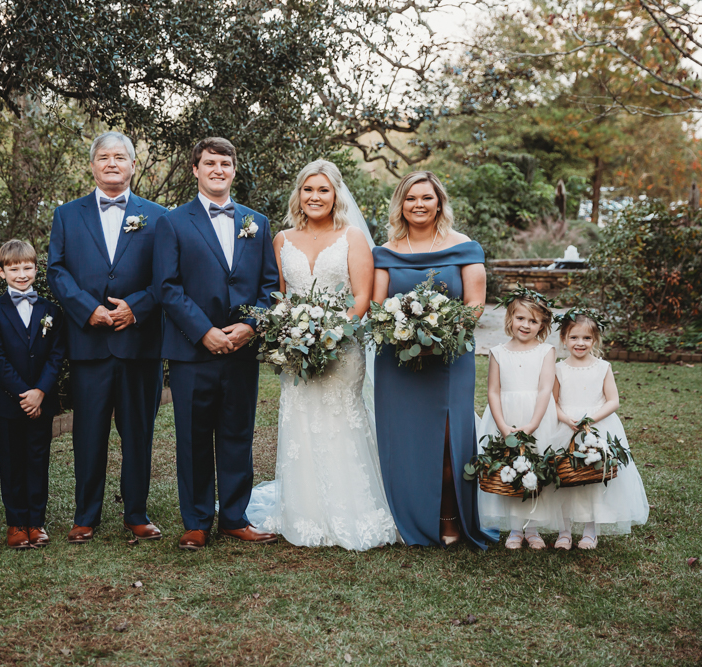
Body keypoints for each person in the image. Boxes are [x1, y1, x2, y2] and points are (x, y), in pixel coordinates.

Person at [246, 159, 396, 550]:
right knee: (301, 421)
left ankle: (353, 510)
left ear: (335, 195)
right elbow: (277, 296)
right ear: (299, 194)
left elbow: (361, 298)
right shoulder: (282, 239)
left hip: (342, 350)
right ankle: (305, 511)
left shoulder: (352, 238)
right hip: (295, 350)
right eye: (308, 189)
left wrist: (330, 335)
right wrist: (290, 333)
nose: (315, 197)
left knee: (340, 421)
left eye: (323, 190)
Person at [153, 137, 280, 551]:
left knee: (237, 434)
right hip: (192, 351)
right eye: (209, 163)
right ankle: (196, 521)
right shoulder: (172, 222)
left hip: (241, 350)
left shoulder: (257, 223)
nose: (217, 170)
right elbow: (167, 286)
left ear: (234, 170)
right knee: (192, 437)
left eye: (225, 163)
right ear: (195, 169)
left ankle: (235, 518)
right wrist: (204, 331)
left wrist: (249, 326)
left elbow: (269, 285)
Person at [48, 131, 168, 544]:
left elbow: (167, 276)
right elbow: (57, 271)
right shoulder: (67, 215)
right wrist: (88, 309)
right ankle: (86, 515)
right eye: (104, 157)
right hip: (90, 345)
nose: (112, 163)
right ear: (92, 165)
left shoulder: (159, 216)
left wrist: (137, 306)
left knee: (138, 434)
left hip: (140, 344)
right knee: (88, 435)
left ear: (133, 165)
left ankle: (136, 513)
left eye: (120, 157)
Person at [372, 171, 495, 549]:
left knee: (447, 440)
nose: (419, 205)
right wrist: (402, 333)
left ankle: (450, 515)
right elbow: (377, 307)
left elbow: (475, 305)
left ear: (439, 202)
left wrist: (442, 335)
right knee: (405, 441)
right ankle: (407, 515)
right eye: (410, 198)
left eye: (426, 197)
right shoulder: (386, 252)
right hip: (398, 361)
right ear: (401, 204)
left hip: (450, 359)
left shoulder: (465, 248)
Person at [0, 240, 65, 549]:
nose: (21, 274)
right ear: (1, 272)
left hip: (42, 401)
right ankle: (16, 522)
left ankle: (36, 521)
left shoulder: (51, 310)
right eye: (14, 269)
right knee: (12, 461)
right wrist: (24, 394)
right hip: (10, 402)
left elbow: (56, 355)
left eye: (27, 268)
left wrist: (40, 392)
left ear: (36, 269)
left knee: (38, 459)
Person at [550, 310, 649, 549]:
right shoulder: (558, 368)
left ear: (595, 340)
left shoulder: (603, 367)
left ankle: (590, 531)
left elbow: (613, 401)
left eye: (586, 338)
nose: (580, 343)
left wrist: (590, 419)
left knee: (593, 478)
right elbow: (552, 401)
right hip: (565, 426)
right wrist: (565, 418)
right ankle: (564, 531)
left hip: (596, 427)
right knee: (564, 477)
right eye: (574, 337)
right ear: (564, 338)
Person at [476, 289, 559, 549]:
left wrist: (534, 423)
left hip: (536, 416)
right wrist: (502, 425)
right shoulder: (498, 352)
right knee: (509, 467)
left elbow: (545, 389)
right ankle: (514, 528)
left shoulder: (546, 351)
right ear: (510, 318)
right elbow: (493, 390)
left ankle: (532, 528)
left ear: (542, 325)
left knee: (535, 469)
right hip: (506, 416)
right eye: (520, 318)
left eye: (533, 321)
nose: (526, 325)